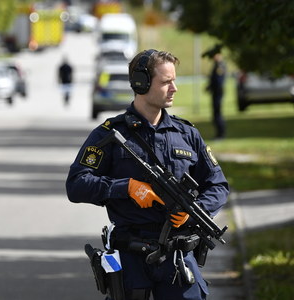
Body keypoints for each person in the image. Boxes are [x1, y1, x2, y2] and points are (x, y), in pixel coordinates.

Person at [66, 49, 229, 300]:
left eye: (174, 80)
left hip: (177, 257)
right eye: (166, 82)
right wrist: (126, 187)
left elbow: (218, 185)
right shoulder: (111, 133)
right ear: (140, 84)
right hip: (131, 256)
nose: (174, 88)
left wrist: (195, 209)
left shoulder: (186, 134)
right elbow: (76, 184)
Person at [203, 45, 227, 140]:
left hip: (218, 92)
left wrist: (211, 86)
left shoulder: (220, 65)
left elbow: (218, 81)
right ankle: (218, 133)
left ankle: (221, 134)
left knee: (217, 113)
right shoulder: (217, 65)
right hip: (215, 92)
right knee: (215, 113)